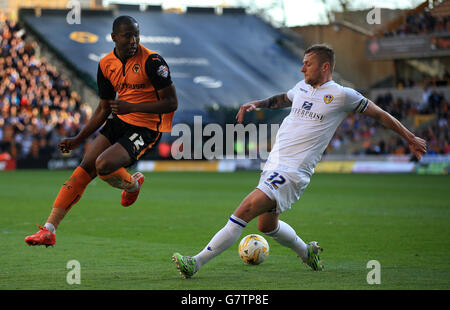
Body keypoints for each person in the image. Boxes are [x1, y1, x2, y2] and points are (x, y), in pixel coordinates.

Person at [172, 44, 427, 278]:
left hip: (293, 171)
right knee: (267, 225)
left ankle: (195, 263)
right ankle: (308, 253)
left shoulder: (342, 95)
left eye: (308, 63)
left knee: (245, 210)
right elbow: (285, 98)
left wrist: (410, 137)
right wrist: (258, 104)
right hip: (274, 164)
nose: (302, 67)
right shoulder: (303, 87)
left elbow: (380, 114)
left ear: (324, 67)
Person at [25, 16, 178, 247]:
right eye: (127, 36)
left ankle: (133, 185)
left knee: (104, 165)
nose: (133, 40)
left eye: (136, 34)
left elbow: (171, 103)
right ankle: (49, 230)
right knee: (84, 168)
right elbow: (104, 108)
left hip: (147, 127)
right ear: (114, 37)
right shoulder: (106, 64)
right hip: (120, 121)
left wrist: (132, 107)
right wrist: (79, 139)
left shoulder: (153, 62)